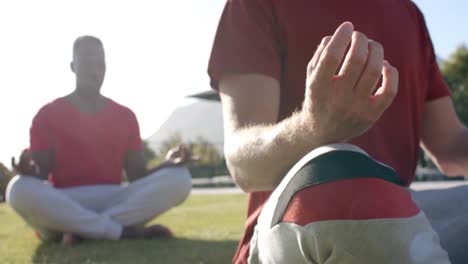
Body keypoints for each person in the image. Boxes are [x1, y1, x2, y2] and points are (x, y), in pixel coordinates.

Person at [208, 1, 468, 263]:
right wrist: (313, 128)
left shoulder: (409, 14)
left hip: (399, 219)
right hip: (296, 227)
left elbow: (449, 143)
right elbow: (243, 165)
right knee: (341, 172)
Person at [6, 36, 192, 245]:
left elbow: (137, 175)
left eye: (100, 63)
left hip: (113, 199)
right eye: (87, 62)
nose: (95, 69)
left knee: (180, 178)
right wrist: (28, 172)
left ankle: (82, 230)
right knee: (18, 188)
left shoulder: (125, 116)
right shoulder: (47, 115)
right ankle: (121, 231)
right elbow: (40, 171)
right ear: (73, 66)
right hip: (65, 200)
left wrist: (168, 163)